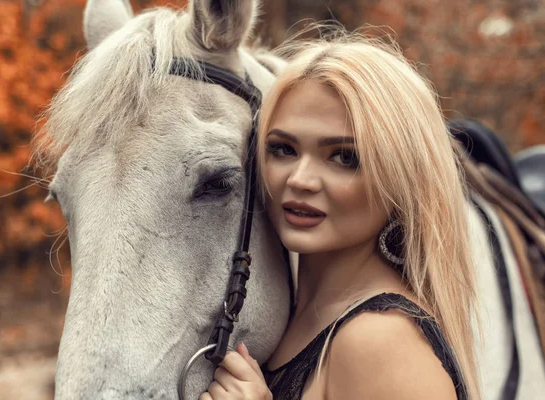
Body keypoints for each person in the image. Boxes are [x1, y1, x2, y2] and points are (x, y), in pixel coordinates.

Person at [199, 32, 480, 400]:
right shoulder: (297, 314)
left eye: (344, 157)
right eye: (283, 149)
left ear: (401, 178)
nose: (299, 180)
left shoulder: (380, 341)